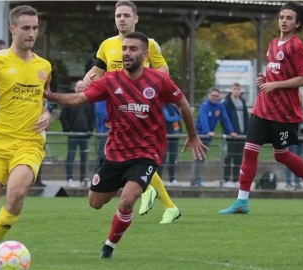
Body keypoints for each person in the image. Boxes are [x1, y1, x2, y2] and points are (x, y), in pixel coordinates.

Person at [44, 31, 206, 258]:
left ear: (145, 54)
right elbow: (79, 99)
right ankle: (122, 186)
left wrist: (192, 135)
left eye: (132, 49)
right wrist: (50, 96)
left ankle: (108, 246)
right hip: (115, 153)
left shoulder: (158, 80)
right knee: (95, 202)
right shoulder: (110, 80)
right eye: (124, 48)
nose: (126, 53)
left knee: (127, 201)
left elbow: (183, 104)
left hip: (146, 153)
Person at [219, 1, 303, 214]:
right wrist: (264, 80)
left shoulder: (297, 46)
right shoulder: (273, 43)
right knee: (249, 152)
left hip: (283, 112)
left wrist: (274, 84)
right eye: (281, 17)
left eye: (289, 18)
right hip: (262, 108)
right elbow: (275, 74)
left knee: (281, 154)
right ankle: (241, 201)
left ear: (297, 23)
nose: (283, 21)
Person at [83, 0, 180, 224]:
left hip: (140, 110)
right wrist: (89, 77)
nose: (122, 19)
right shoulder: (107, 45)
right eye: (118, 16)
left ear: (136, 19)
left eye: (126, 15)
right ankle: (162, 201)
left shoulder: (149, 44)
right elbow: (99, 68)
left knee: (136, 155)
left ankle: (154, 196)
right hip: (118, 111)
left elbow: (163, 69)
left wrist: (148, 84)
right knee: (131, 157)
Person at [0, 5, 51, 260]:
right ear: (12, 29)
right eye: (26, 28)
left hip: (30, 142)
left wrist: (47, 113)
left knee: (17, 191)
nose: (31, 33)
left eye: (35, 28)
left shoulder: (44, 66)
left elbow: (44, 99)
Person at [191, 88, 237, 187]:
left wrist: (231, 131)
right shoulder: (204, 105)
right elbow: (204, 119)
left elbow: (225, 118)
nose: (215, 98)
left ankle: (196, 179)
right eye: (213, 95)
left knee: (201, 158)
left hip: (208, 136)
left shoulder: (219, 106)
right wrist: (207, 131)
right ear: (209, 96)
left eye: (216, 96)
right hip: (200, 135)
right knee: (198, 158)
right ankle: (194, 180)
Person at [59, 80, 95, 187]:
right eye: (78, 87)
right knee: (71, 156)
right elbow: (63, 117)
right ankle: (69, 178)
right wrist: (68, 130)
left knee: (84, 157)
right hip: (73, 134)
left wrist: (90, 130)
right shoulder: (70, 101)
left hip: (85, 134)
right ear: (75, 88)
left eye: (82, 87)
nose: (80, 89)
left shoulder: (89, 102)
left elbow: (93, 117)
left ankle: (83, 179)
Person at [222, 83, 249, 188]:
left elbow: (246, 118)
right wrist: (230, 131)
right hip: (231, 136)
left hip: (241, 135)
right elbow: (225, 119)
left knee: (238, 158)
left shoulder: (242, 102)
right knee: (229, 157)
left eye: (238, 89)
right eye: (235, 89)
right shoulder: (227, 103)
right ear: (231, 90)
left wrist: (247, 131)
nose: (236, 91)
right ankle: (226, 179)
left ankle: (235, 179)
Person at [284, 91, 303, 190]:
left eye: (300, 96)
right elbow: (289, 120)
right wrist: (301, 118)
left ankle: (297, 182)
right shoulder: (290, 108)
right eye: (297, 96)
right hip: (292, 137)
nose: (298, 98)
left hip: (302, 137)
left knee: (300, 161)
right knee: (290, 161)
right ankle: (287, 182)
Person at [157, 103, 182, 186]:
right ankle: (159, 178)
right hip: (166, 135)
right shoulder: (163, 106)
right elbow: (168, 118)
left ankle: (172, 179)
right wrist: (180, 116)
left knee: (173, 158)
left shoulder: (174, 107)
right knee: (163, 158)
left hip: (175, 135)